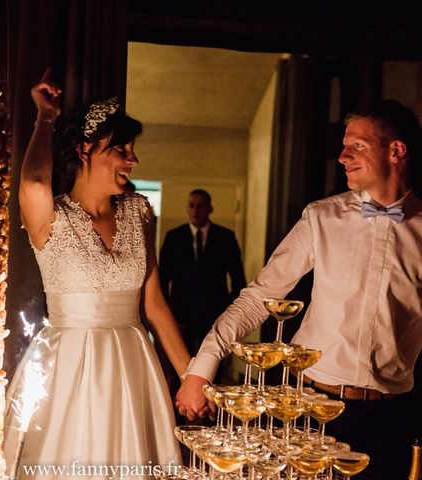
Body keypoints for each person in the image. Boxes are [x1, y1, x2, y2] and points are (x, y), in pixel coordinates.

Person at [176, 99, 422, 479]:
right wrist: (201, 367)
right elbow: (259, 297)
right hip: (310, 406)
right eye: (343, 145)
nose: (342, 156)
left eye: (356, 146)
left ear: (396, 150)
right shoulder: (321, 218)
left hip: (391, 416)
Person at [3, 71, 191, 479]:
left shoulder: (138, 211)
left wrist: (190, 377)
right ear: (85, 149)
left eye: (132, 150)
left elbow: (154, 304)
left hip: (133, 364)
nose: (132, 160)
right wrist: (45, 117)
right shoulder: (50, 215)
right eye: (121, 150)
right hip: (67, 366)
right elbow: (34, 179)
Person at [159, 189, 246, 364]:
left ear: (210, 209)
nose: (195, 210)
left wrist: (228, 313)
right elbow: (162, 280)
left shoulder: (226, 238)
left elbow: (238, 280)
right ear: (187, 209)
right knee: (181, 369)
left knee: (213, 367)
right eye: (191, 206)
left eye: (200, 206)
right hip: (181, 317)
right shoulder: (174, 237)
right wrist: (170, 315)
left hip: (214, 316)